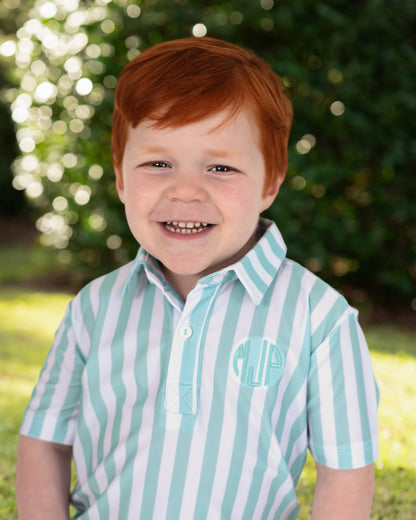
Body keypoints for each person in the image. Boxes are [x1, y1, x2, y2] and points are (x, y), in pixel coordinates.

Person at [16, 37, 379, 520]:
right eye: (158, 163)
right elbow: (45, 440)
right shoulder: (96, 307)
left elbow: (346, 472)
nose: (186, 191)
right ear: (121, 178)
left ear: (270, 182)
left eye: (221, 167)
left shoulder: (320, 318)